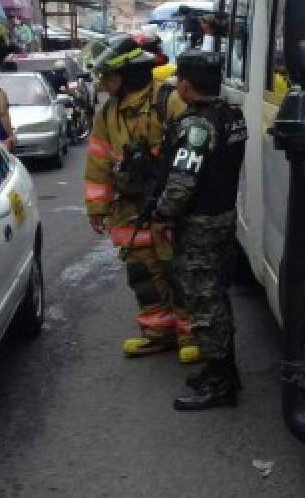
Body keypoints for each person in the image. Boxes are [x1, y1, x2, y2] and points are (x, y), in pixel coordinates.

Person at [83, 35, 193, 361]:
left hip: (170, 205)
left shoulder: (167, 100)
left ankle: (190, 335)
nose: (103, 83)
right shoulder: (108, 114)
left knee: (178, 269)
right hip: (131, 208)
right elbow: (98, 161)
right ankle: (158, 332)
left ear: (128, 72)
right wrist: (97, 208)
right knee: (142, 273)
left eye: (108, 75)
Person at [153, 49, 246, 410]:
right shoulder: (231, 115)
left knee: (205, 304)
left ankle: (221, 385)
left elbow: (181, 183)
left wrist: (162, 217)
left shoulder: (197, 127)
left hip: (200, 226)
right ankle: (222, 371)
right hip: (223, 217)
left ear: (186, 86)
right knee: (218, 297)